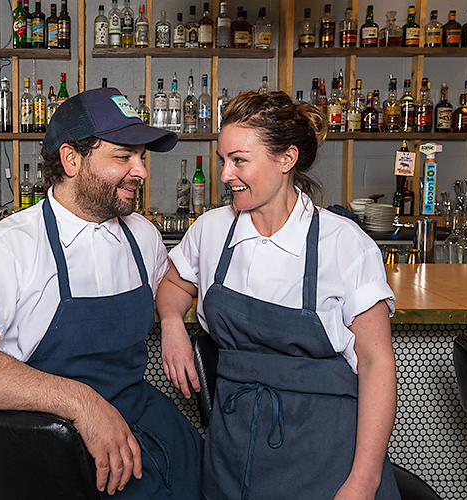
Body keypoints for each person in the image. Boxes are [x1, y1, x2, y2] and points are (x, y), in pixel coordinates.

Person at [0, 87, 203, 499]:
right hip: (58, 448)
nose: (142, 171)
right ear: (71, 159)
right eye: (123, 156)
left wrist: (170, 321)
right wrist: (82, 403)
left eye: (141, 157)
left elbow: (175, 286)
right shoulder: (9, 245)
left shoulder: (141, 235)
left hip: (147, 422)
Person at [156, 90, 401, 500]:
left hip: (323, 448)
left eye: (239, 160)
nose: (224, 175)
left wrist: (363, 481)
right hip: (232, 447)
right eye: (222, 160)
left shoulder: (343, 242)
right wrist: (170, 324)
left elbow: (378, 363)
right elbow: (175, 283)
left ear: (286, 160)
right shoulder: (213, 229)